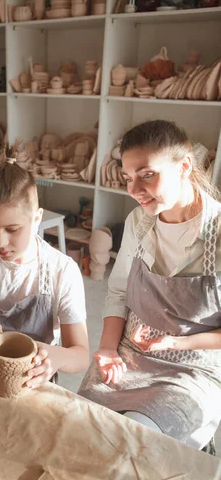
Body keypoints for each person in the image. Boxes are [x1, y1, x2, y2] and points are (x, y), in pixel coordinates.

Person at [78, 120, 221, 451]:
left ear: (184, 166)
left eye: (147, 174)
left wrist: (175, 342)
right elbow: (117, 292)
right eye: (128, 178)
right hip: (131, 352)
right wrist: (108, 349)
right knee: (81, 429)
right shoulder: (138, 223)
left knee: (130, 444)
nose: (134, 189)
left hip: (192, 368)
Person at [0, 156, 90, 393]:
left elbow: (81, 355)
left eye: (12, 229)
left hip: (30, 379)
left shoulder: (61, 271)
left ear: (36, 218)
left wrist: (57, 357)